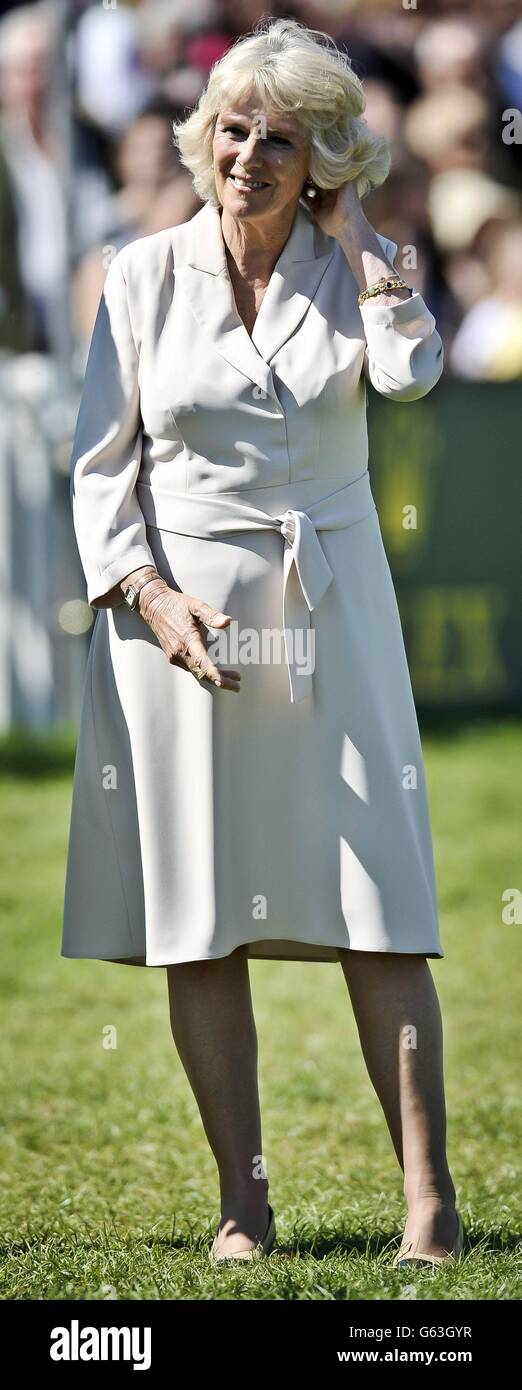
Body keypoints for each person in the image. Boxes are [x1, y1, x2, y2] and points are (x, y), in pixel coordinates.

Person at [62, 18, 462, 1268]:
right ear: (202, 136)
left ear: (324, 160)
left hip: (332, 608)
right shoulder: (138, 273)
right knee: (199, 912)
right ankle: (246, 1204)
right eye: (233, 129)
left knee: (381, 903)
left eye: (281, 140)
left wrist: (364, 248)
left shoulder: (359, 264)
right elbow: (97, 472)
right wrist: (151, 598)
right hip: (178, 625)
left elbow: (411, 375)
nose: (247, 156)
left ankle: (429, 1204)